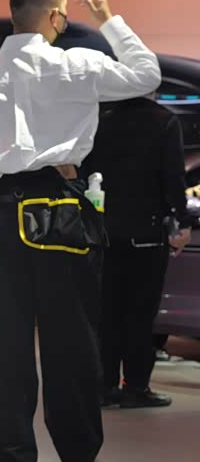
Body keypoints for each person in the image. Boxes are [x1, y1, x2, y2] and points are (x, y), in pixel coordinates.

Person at [0, 0, 161, 462]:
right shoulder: (78, 65)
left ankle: (11, 451)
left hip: (3, 215)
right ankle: (79, 450)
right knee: (73, 336)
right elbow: (147, 75)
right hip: (63, 210)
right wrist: (107, 19)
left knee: (3, 342)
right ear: (56, 16)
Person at [85, 95, 193, 408]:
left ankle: (104, 386)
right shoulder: (164, 121)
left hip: (105, 232)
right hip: (147, 233)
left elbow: (85, 171)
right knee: (141, 315)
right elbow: (173, 177)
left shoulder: (100, 119)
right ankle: (135, 387)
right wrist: (182, 221)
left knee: (107, 313)